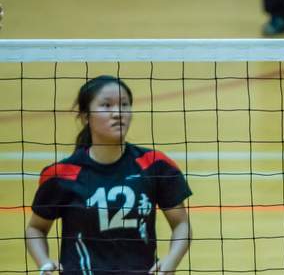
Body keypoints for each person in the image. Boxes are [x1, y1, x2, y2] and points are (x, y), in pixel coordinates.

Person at [25, 76, 192, 274]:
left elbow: (181, 223)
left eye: (124, 105)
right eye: (106, 105)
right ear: (86, 116)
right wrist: (43, 262)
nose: (118, 113)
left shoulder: (155, 165)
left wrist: (171, 261)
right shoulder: (61, 175)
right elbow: (35, 228)